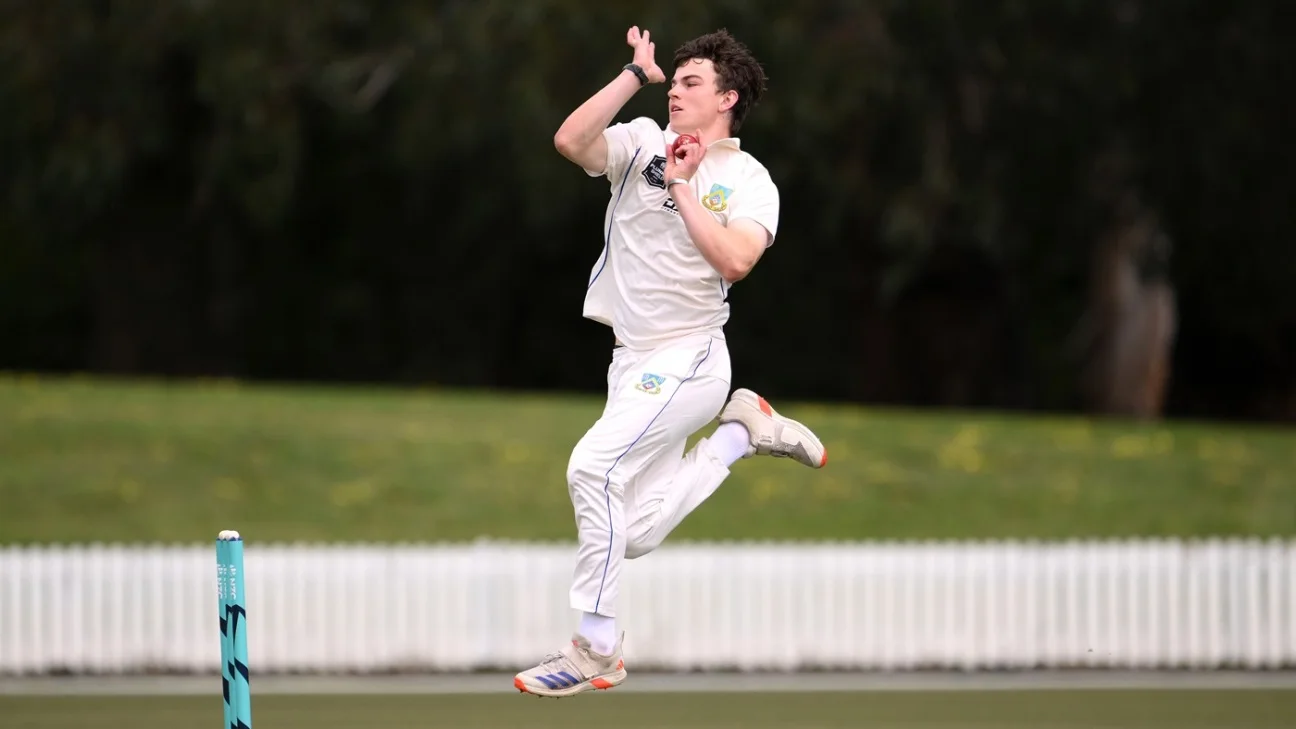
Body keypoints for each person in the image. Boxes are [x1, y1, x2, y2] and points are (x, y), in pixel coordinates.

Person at [513, 26, 827, 698]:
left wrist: (683, 187)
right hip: (631, 361)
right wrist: (635, 75)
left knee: (591, 467)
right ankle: (740, 433)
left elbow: (736, 262)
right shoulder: (640, 143)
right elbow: (570, 140)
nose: (676, 93)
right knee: (632, 531)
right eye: (674, 81)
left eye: (691, 83)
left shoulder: (747, 180)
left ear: (727, 97)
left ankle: (596, 645)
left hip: (691, 357)